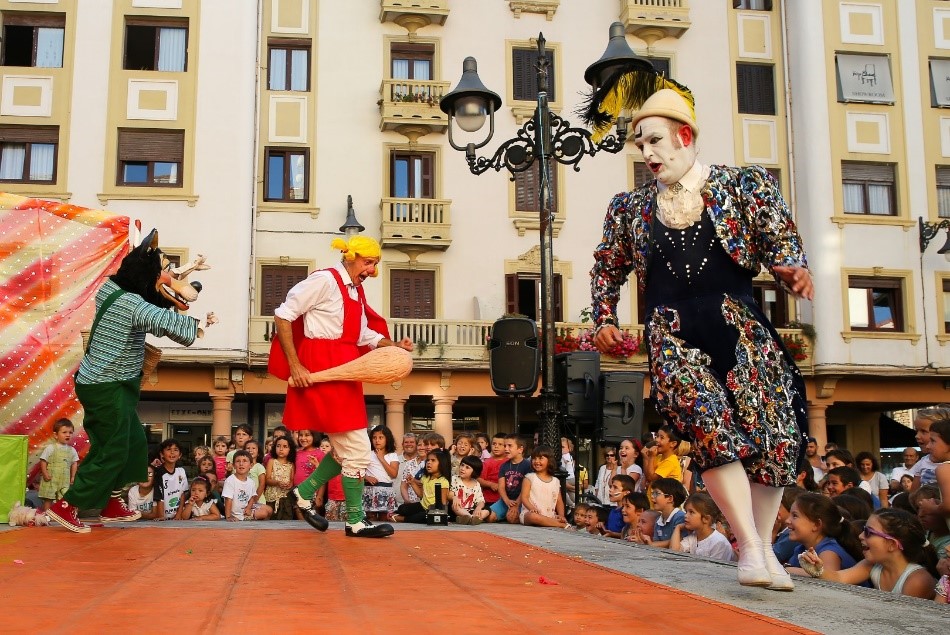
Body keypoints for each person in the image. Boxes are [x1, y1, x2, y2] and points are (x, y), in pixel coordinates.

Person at [590, 84, 811, 589]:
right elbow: (607, 267)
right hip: (671, 328)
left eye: (654, 141)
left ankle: (761, 553)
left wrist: (791, 268)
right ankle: (751, 547)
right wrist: (603, 316)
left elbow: (780, 236)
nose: (646, 153)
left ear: (684, 135)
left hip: (738, 320)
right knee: (709, 426)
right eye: (640, 145)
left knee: (775, 435)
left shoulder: (742, 185)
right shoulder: (630, 208)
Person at [271, 236, 412, 538]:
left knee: (343, 449)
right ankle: (356, 521)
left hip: (345, 369)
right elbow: (284, 314)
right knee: (359, 450)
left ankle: (305, 492)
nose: (371, 270)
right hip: (323, 364)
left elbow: (363, 334)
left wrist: (393, 346)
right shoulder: (324, 280)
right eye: (368, 262)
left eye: (375, 265)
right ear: (350, 257)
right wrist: (295, 365)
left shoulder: (355, 290)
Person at [798, 508, 937, 599]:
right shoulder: (873, 565)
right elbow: (839, 578)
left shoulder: (917, 580)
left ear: (892, 544)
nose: (860, 536)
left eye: (869, 532)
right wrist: (818, 570)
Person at [783, 493, 863, 577]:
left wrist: (785, 569)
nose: (787, 521)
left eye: (795, 516)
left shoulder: (829, 553)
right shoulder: (801, 548)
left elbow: (826, 581)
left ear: (816, 524)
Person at [671, 492, 735, 562]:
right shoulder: (694, 536)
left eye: (691, 512)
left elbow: (713, 570)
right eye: (686, 512)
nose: (685, 516)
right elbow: (674, 552)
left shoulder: (719, 543)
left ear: (706, 519)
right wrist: (678, 528)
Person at [519, 445, 571, 529]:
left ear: (549, 461)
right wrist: (531, 508)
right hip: (530, 514)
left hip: (549, 515)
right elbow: (524, 497)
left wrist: (561, 515)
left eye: (540, 458)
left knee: (550, 518)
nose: (536, 461)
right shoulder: (529, 478)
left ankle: (553, 522)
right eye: (534, 458)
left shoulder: (555, 481)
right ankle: (561, 525)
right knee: (534, 517)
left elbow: (559, 501)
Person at [392, 450, 450, 524]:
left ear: (441, 464)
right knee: (402, 508)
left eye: (433, 460)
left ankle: (402, 519)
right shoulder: (425, 478)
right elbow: (421, 495)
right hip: (423, 506)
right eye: (428, 460)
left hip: (433, 510)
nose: (429, 462)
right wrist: (413, 483)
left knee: (423, 516)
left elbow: (443, 502)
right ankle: (400, 515)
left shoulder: (443, 481)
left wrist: (442, 515)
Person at [486, 434, 532, 523]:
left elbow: (525, 490)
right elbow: (501, 487)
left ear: (520, 449)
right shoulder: (504, 466)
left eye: (509, 446)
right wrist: (507, 501)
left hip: (521, 501)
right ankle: (504, 513)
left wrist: (516, 504)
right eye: (505, 446)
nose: (506, 449)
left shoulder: (527, 465)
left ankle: (508, 514)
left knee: (511, 519)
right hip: (506, 500)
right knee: (489, 517)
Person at [37, 419, 80, 512]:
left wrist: (72, 476)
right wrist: (44, 473)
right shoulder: (51, 448)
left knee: (64, 498)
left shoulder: (72, 450)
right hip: (51, 478)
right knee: (49, 498)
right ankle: (46, 515)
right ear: (56, 435)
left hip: (64, 479)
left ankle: (61, 514)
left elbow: (74, 463)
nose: (68, 435)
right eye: (64, 432)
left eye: (70, 432)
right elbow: (43, 460)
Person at [917, 419, 950, 527]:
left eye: (933, 441)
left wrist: (931, 508)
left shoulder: (944, 469)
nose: (928, 446)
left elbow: (948, 506)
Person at [364, 425, 399, 521]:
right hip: (369, 490)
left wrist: (381, 459)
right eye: (374, 438)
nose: (377, 441)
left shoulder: (392, 455)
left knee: (385, 518)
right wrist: (367, 477)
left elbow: (394, 474)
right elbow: (358, 470)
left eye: (381, 437)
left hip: (386, 490)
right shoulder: (367, 454)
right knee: (370, 518)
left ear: (387, 439)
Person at [641, 426, 682, 501]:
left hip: (664, 503)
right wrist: (645, 458)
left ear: (673, 444)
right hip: (653, 501)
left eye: (661, 438)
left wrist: (651, 457)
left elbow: (651, 478)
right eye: (657, 436)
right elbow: (647, 475)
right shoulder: (659, 457)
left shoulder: (670, 461)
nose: (657, 440)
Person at [910, 407, 947, 490]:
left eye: (923, 431)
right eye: (917, 431)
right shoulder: (922, 462)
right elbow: (913, 494)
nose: (917, 436)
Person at [152, 439, 188, 521]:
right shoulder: (159, 473)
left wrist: (179, 514)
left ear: (180, 455)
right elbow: (159, 497)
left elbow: (182, 494)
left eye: (176, 450)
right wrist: (161, 516)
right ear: (162, 454)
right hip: (164, 515)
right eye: (168, 449)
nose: (172, 452)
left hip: (177, 516)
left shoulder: (181, 471)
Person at [647, 477, 687, 549]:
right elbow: (656, 543)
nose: (652, 497)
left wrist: (651, 544)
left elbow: (680, 540)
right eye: (652, 493)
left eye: (656, 493)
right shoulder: (658, 520)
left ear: (670, 498)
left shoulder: (681, 518)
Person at [264, 436, 296, 520]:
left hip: (286, 499)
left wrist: (289, 485)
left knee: (286, 521)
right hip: (272, 498)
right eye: (278, 446)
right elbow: (267, 480)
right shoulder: (272, 461)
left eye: (285, 446)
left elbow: (292, 480)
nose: (281, 449)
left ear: (290, 449)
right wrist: (277, 483)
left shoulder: (291, 464)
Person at [452, 456, 488, 524]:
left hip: (471, 510)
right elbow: (450, 493)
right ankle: (472, 518)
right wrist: (454, 497)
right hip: (457, 509)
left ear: (474, 471)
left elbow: (481, 500)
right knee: (455, 507)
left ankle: (472, 518)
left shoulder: (476, 484)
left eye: (467, 467)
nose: (462, 469)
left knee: (487, 510)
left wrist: (478, 508)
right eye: (462, 465)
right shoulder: (454, 479)